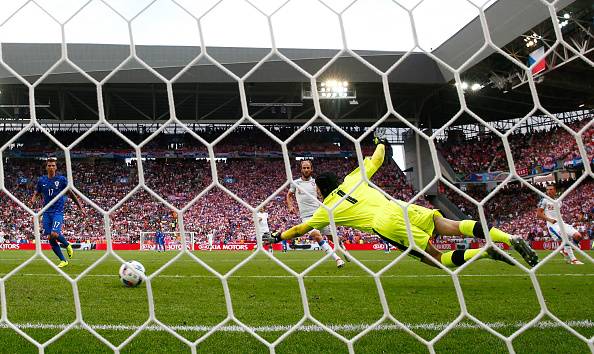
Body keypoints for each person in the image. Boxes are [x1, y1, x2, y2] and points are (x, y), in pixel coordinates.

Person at [265, 129, 539, 269]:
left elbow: (303, 228)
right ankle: (506, 237)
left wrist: (278, 237)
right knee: (453, 225)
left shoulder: (328, 207)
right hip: (398, 206)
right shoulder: (352, 178)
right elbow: (378, 158)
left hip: (384, 223)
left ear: (321, 191)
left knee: (435, 259)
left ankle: (482, 252)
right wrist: (382, 140)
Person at [286, 160, 348, 268]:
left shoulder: (316, 182)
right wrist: (291, 207)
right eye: (304, 168)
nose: (306, 170)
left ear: (311, 169)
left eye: (308, 168)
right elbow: (289, 195)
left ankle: (344, 250)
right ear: (301, 169)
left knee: (332, 237)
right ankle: (337, 259)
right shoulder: (296, 183)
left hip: (318, 214)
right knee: (317, 235)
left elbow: (323, 195)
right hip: (306, 217)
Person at [28, 158, 86, 268]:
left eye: (53, 165)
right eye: (49, 165)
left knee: (54, 234)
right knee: (50, 237)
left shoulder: (61, 180)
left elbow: (71, 193)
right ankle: (63, 260)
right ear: (46, 167)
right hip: (46, 212)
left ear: (56, 167)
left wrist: (80, 208)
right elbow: (37, 194)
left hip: (57, 211)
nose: (51, 167)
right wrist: (32, 201)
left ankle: (67, 245)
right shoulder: (42, 181)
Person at [537, 184, 584, 265]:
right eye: (548, 190)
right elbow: (539, 213)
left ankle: (565, 251)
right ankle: (573, 259)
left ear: (555, 191)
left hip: (561, 223)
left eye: (551, 189)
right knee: (565, 237)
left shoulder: (559, 201)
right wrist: (550, 219)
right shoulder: (544, 200)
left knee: (578, 236)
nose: (549, 191)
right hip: (552, 225)